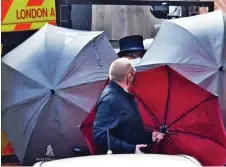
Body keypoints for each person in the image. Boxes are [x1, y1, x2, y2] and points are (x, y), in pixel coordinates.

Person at [93, 58, 164, 154]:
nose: (135, 80)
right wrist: (131, 149)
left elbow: (127, 131)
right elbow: (100, 135)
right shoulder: (110, 99)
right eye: (135, 76)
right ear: (130, 77)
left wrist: (150, 136)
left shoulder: (122, 96)